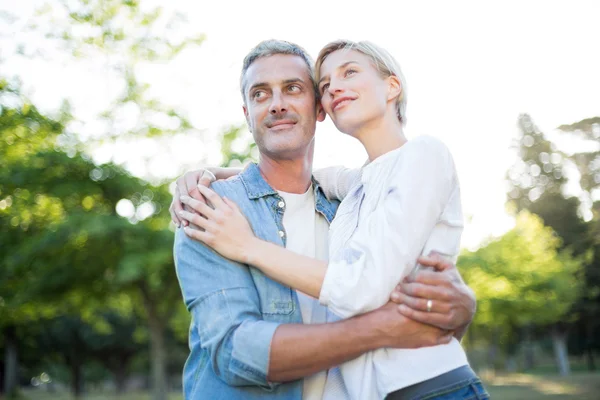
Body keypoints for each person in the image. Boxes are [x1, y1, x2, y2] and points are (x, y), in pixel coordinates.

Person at [172, 39, 478, 400]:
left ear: (319, 109)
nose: (277, 104)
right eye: (260, 94)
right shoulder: (213, 211)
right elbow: (238, 353)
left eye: (293, 88)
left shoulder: (347, 204)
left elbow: (385, 287)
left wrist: (462, 308)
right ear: (247, 113)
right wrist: (211, 173)